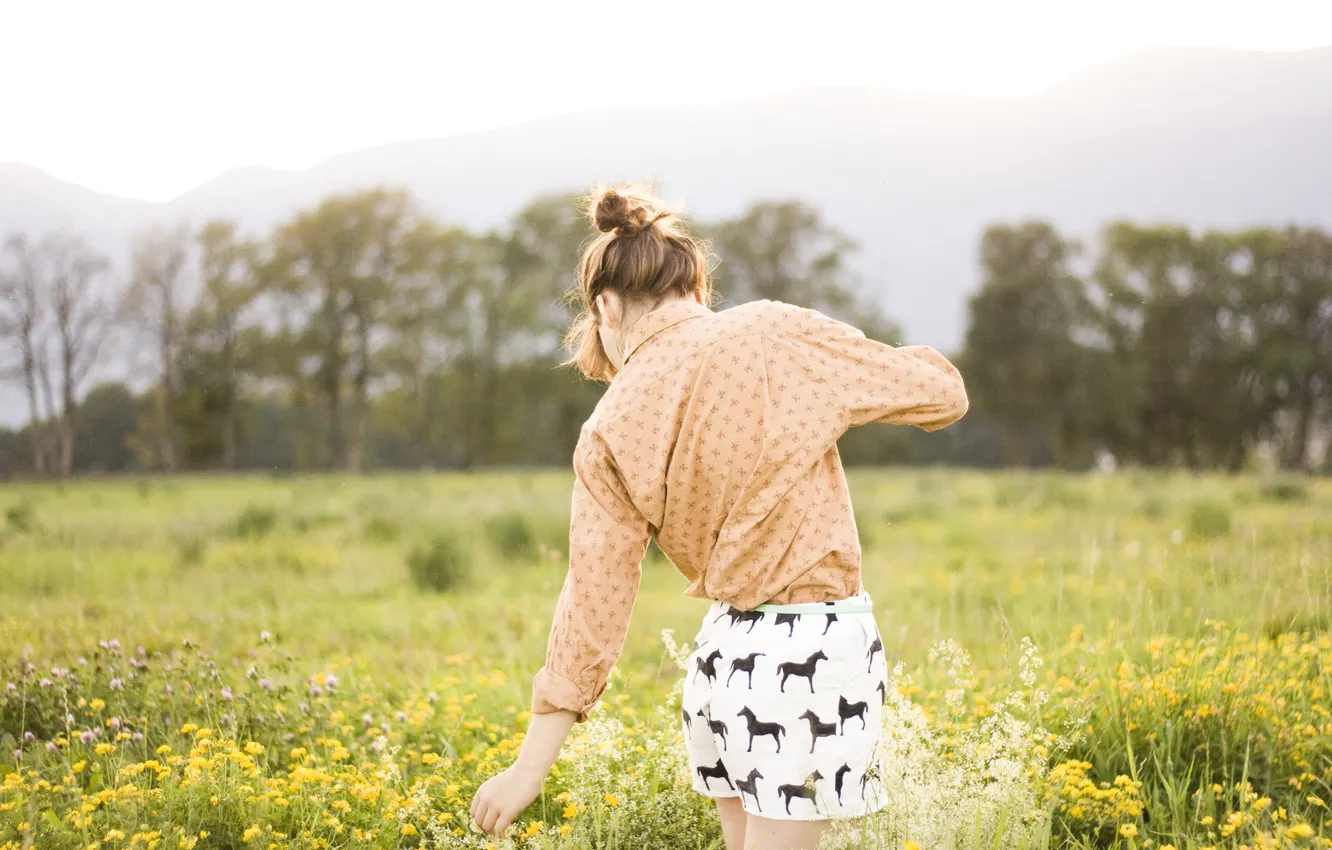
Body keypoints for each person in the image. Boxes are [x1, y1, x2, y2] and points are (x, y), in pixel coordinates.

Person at [470, 184, 969, 850]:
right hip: (813, 648)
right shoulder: (771, 331)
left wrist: (530, 767)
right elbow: (942, 395)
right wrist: (826, 389)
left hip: (722, 658)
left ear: (605, 306)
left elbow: (592, 604)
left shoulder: (607, 429)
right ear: (696, 290)